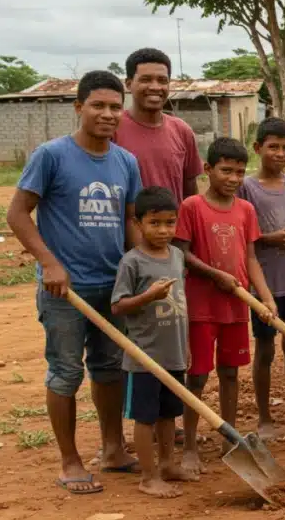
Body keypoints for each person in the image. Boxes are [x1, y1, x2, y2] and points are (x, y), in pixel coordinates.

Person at [6, 70, 142, 495]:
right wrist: (49, 263)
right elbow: (17, 214)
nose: (107, 114)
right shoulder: (51, 155)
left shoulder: (125, 161)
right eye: (98, 106)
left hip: (111, 285)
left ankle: (113, 448)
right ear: (78, 107)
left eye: (115, 107)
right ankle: (70, 461)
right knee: (65, 372)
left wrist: (140, 268)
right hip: (64, 291)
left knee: (109, 369)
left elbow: (129, 220)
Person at [174, 137, 277, 476]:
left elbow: (250, 259)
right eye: (226, 171)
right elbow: (182, 253)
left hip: (236, 307)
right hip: (202, 306)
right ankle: (189, 446)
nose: (233, 178)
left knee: (231, 372)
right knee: (198, 375)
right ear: (208, 169)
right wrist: (213, 274)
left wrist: (266, 297)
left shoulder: (245, 210)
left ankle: (229, 437)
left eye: (239, 172)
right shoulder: (192, 206)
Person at [111, 186, 198, 498]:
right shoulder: (131, 262)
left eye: (170, 223)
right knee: (145, 417)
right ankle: (148, 477)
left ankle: (167, 465)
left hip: (173, 353)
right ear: (138, 224)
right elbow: (117, 306)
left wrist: (185, 345)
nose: (164, 230)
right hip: (144, 358)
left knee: (167, 414)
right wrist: (148, 296)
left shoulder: (176, 255)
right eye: (155, 223)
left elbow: (180, 303)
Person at [237, 118, 285, 439]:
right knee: (265, 348)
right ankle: (264, 418)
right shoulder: (246, 188)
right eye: (273, 147)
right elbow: (244, 236)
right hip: (265, 285)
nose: (280, 153)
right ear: (258, 149)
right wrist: (270, 238)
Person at [115, 48, 203, 204]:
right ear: (129, 84)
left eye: (162, 80)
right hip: (125, 227)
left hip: (172, 228)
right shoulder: (113, 128)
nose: (155, 87)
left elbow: (190, 192)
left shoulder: (182, 131)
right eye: (146, 79)